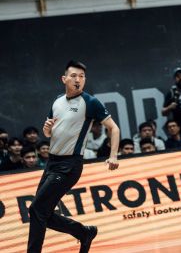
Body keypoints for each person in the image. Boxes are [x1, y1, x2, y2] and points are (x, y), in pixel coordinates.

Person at [27, 60, 120, 253]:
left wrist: (113, 156)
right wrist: (47, 130)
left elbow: (114, 128)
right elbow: (49, 133)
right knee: (41, 213)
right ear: (64, 79)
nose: (78, 80)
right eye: (74, 76)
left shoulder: (90, 102)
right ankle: (84, 233)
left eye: (82, 76)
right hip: (51, 163)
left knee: (37, 210)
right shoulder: (57, 101)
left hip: (69, 165)